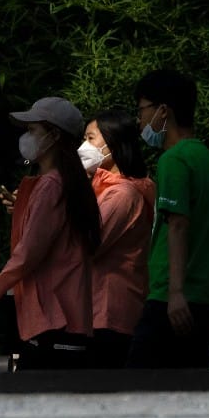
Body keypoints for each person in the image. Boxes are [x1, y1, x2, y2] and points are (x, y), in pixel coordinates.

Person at [0, 96, 101, 370]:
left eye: (33, 130)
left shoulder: (51, 187)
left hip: (54, 324)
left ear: (54, 135)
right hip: (69, 324)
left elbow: (26, 256)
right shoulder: (70, 183)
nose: (27, 137)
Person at [126, 70, 209, 368]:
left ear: (163, 111)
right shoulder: (205, 158)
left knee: (137, 388)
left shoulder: (173, 159)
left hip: (176, 299)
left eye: (142, 110)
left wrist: (175, 293)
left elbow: (178, 224)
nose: (140, 120)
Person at [79, 108, 156, 367]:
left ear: (113, 143)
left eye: (90, 138)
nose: (83, 146)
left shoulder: (121, 195)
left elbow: (87, 244)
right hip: (100, 311)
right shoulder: (104, 189)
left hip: (110, 312)